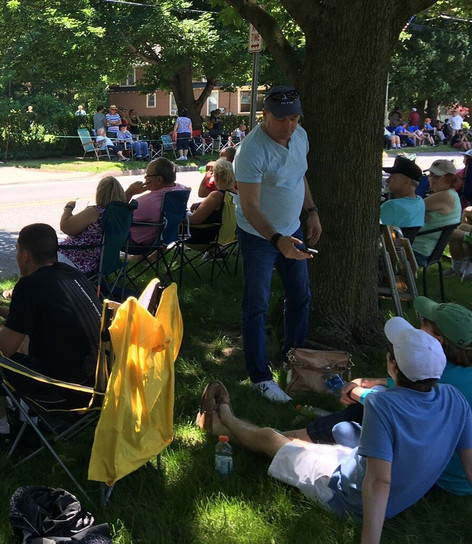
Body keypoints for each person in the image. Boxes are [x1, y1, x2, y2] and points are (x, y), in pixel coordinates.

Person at [196, 317, 472, 544]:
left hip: (347, 497)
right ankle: (226, 427)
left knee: (271, 438)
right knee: (311, 441)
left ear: (393, 366)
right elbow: (470, 464)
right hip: (394, 491)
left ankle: (224, 418)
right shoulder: (453, 397)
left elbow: (379, 482)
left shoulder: (382, 405)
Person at [290, 296, 472, 497]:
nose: (418, 326)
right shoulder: (451, 374)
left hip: (437, 476)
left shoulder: (443, 381)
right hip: (460, 473)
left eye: (424, 323)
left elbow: (390, 407)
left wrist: (358, 392)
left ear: (438, 341)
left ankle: (290, 439)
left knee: (360, 411)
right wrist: (376, 381)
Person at [0, 223, 102, 448]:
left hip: (66, 393)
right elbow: (44, 317)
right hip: (99, 383)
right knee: (21, 335)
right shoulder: (71, 274)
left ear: (25, 255)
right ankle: (25, 418)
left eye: (17, 250)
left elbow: (5, 347)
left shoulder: (30, 285)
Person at [233, 85, 320, 403]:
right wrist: (276, 240)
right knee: (256, 305)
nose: (290, 126)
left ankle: (292, 358)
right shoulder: (252, 151)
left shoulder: (301, 136)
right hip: (259, 237)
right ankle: (260, 377)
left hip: (292, 229)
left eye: (295, 118)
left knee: (300, 296)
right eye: (282, 119)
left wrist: (311, 211)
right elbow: (251, 206)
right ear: (265, 115)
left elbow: (300, 176)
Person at [58, 175, 128, 273]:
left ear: (99, 193)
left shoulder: (95, 212)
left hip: (77, 259)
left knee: (37, 248)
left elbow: (65, 227)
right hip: (101, 261)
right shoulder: (121, 214)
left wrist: (68, 208)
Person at [123, 157, 189, 248]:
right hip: (165, 238)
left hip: (140, 243)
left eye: (148, 175)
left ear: (159, 179)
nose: (145, 178)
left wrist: (129, 193)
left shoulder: (145, 202)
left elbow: (116, 217)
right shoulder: (182, 190)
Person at [411, 158, 461, 266]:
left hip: (416, 250)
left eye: (437, 176)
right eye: (431, 174)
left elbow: (408, 210)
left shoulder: (444, 196)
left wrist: (418, 212)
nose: (432, 179)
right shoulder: (451, 194)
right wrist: (420, 213)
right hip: (427, 249)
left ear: (451, 178)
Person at [185, 159, 236, 244]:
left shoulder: (216, 195)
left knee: (169, 223)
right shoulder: (237, 195)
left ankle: (157, 251)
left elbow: (195, 220)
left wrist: (179, 216)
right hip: (228, 238)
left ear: (216, 177)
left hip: (206, 237)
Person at [379, 156, 425, 232]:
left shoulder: (391, 206)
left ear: (406, 182)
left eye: (392, 177)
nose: (387, 180)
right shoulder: (420, 202)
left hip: (392, 243)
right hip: (409, 243)